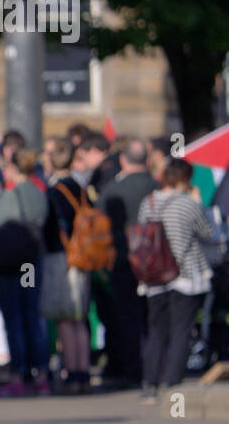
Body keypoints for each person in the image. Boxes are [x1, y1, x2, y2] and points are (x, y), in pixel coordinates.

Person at [136, 158, 219, 402]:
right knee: (181, 330)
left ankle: (149, 384)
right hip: (184, 275)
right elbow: (210, 234)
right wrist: (198, 203)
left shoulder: (148, 202)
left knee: (157, 330)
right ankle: (172, 383)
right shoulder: (187, 203)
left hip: (153, 276)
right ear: (185, 179)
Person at [0, 148, 50, 396]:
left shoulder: (11, 194)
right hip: (31, 260)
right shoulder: (39, 191)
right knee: (32, 315)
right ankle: (40, 373)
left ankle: (19, 373)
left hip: (11, 263)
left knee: (14, 318)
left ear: (14, 169)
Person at [96, 139, 158, 387]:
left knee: (126, 315)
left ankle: (131, 368)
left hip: (122, 259)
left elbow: (100, 225)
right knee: (152, 316)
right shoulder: (156, 186)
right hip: (154, 260)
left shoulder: (112, 190)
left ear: (123, 160)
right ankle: (154, 369)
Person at [41, 141, 92, 394]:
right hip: (82, 256)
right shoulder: (80, 188)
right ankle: (84, 372)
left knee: (65, 319)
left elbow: (48, 227)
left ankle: (72, 373)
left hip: (61, 257)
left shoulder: (53, 191)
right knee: (79, 318)